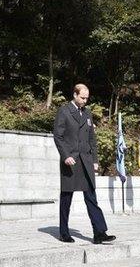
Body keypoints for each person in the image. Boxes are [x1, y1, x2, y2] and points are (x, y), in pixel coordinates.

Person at [53, 83, 116, 244]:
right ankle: (64, 232)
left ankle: (99, 232)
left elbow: (91, 139)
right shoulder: (64, 111)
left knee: (91, 197)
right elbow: (58, 136)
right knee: (66, 197)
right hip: (71, 161)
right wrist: (65, 156)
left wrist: (95, 160)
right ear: (74, 95)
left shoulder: (87, 113)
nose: (85, 101)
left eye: (87, 98)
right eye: (82, 97)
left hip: (86, 161)